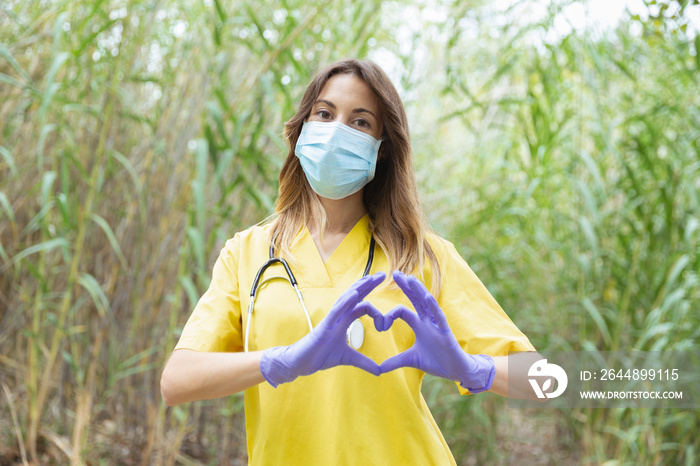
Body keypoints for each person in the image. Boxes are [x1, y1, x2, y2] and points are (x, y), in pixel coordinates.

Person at [160, 58, 536, 464]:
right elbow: (177, 382)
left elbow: (549, 383)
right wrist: (279, 362)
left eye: (360, 122)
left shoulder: (422, 257)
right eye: (324, 113)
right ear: (302, 128)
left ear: (382, 148)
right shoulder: (248, 252)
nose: (336, 130)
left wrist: (471, 369)